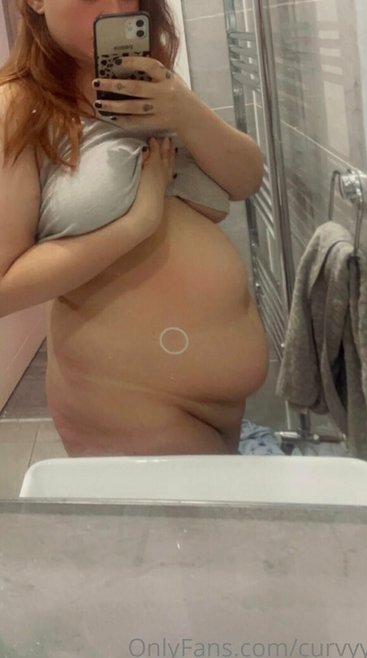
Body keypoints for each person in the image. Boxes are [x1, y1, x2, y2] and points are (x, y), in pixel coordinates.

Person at [0, 0, 270, 456]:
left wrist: (184, 110)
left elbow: (246, 180)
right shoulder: (15, 107)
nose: (115, 8)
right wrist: (136, 224)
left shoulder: (150, 84)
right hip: (127, 409)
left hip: (221, 411)